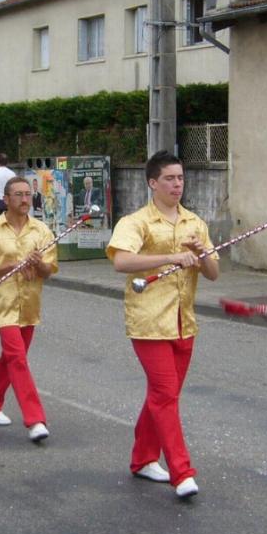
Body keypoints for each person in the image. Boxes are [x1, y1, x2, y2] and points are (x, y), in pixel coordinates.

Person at [107, 151, 219, 500]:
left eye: (181, 178)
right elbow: (122, 261)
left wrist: (201, 254)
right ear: (153, 182)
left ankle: (142, 458)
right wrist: (170, 257)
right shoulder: (135, 222)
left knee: (162, 395)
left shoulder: (195, 223)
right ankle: (182, 471)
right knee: (166, 395)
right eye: (170, 178)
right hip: (149, 321)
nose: (177, 185)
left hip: (184, 321)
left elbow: (213, 273)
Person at [0, 176, 58, 442]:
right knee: (17, 358)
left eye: (27, 194)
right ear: (6, 200)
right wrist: (11, 266)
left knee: (12, 358)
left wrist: (38, 263)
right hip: (4, 303)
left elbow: (50, 270)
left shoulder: (41, 231)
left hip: (30, 303)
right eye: (18, 195)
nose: (24, 199)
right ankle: (35, 420)